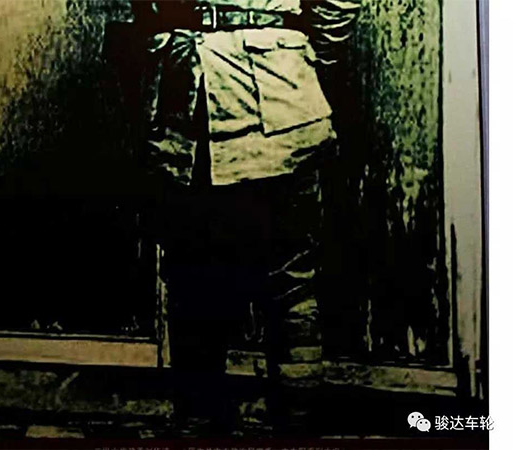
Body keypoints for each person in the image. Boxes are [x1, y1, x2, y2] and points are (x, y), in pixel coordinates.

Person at [109, 0, 361, 434]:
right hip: (192, 106)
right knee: (194, 273)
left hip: (277, 102)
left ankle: (294, 421)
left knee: (287, 279)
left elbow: (337, 7)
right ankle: (202, 420)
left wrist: (296, 56)